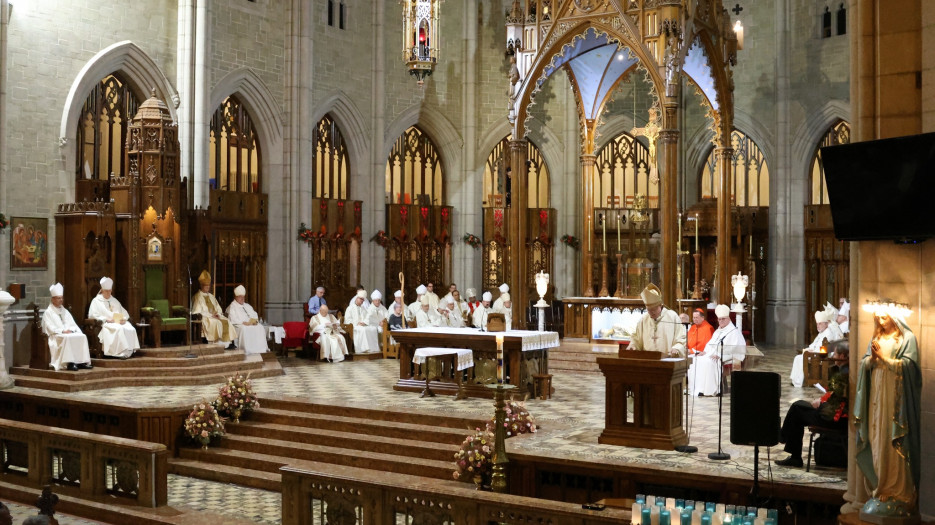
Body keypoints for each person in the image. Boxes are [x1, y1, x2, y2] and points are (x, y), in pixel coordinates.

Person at [854, 308, 921, 517]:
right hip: (876, 395)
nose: (881, 322)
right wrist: (872, 360)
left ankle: (898, 491)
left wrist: (884, 359)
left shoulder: (907, 339)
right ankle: (880, 487)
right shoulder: (876, 337)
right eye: (878, 318)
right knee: (876, 437)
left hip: (895, 399)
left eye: (885, 317)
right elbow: (865, 363)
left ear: (895, 317)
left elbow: (910, 368)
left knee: (893, 441)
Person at [775, 343, 849, 467]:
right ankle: (789, 447)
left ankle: (787, 444)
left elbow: (838, 399)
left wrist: (821, 403)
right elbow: (834, 393)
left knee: (797, 409)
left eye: (835, 354)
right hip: (833, 413)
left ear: (842, 356)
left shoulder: (845, 373)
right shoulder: (844, 370)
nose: (833, 356)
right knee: (798, 405)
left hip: (835, 419)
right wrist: (822, 400)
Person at [688, 304, 745, 397]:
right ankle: (697, 389)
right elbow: (710, 344)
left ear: (728, 319)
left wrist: (721, 355)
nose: (721, 321)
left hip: (723, 357)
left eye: (723, 319)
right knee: (695, 360)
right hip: (711, 354)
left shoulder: (734, 332)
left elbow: (736, 349)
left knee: (708, 362)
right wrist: (705, 352)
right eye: (719, 319)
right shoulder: (718, 331)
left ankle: (710, 390)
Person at [41, 283, 92, 371]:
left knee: (82, 336)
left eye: (62, 298)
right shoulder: (48, 313)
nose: (61, 300)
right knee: (67, 338)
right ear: (53, 299)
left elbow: (73, 324)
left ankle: (81, 362)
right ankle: (70, 363)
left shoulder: (64, 311)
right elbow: (50, 328)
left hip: (67, 333)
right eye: (58, 298)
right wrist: (62, 331)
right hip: (56, 336)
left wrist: (72, 330)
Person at [626, 284, 686, 357]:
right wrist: (633, 346)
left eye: (654, 309)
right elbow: (637, 340)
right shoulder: (643, 320)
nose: (652, 312)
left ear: (660, 305)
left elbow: (681, 338)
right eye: (649, 310)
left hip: (667, 360)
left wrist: (676, 348)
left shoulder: (672, 317)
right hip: (647, 361)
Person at [790, 307, 844, 387]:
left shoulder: (828, 334)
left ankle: (800, 382)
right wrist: (809, 349)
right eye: (817, 324)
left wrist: (812, 351)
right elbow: (814, 345)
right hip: (815, 354)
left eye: (820, 324)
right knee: (798, 357)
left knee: (799, 358)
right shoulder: (822, 333)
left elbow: (823, 350)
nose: (818, 326)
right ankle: (796, 380)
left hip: (821, 357)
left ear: (826, 324)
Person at [88, 277, 139, 359]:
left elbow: (124, 312)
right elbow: (92, 315)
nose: (108, 293)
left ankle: (128, 351)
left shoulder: (114, 300)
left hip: (118, 322)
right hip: (107, 323)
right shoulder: (96, 301)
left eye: (110, 291)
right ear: (102, 290)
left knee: (130, 328)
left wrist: (124, 319)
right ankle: (119, 353)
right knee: (119, 329)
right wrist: (106, 319)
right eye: (106, 291)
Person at [191, 271, 237, 347]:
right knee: (216, 323)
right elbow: (197, 311)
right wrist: (211, 315)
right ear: (201, 286)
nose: (208, 287)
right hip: (206, 317)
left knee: (227, 321)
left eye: (208, 286)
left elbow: (218, 307)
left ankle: (227, 343)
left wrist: (217, 314)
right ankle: (217, 343)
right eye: (206, 286)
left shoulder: (211, 296)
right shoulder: (197, 297)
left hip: (215, 316)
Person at [226, 285, 268, 354]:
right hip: (239, 326)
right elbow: (232, 319)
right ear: (236, 297)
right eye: (240, 297)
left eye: (243, 297)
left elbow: (255, 315)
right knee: (244, 329)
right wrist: (243, 322)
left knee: (260, 327)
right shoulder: (232, 306)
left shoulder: (247, 305)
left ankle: (261, 349)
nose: (242, 299)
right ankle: (247, 349)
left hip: (250, 324)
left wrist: (253, 321)